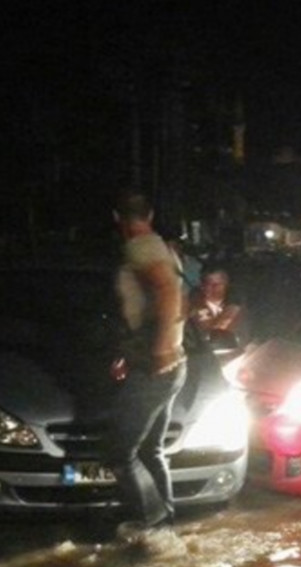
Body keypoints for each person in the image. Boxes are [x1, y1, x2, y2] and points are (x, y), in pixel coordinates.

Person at [108, 189, 187, 533]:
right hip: (173, 365)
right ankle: (164, 523)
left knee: (119, 452)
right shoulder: (164, 247)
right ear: (150, 215)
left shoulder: (139, 248)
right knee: (151, 450)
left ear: (117, 219)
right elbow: (177, 299)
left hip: (156, 369)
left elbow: (167, 292)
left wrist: (158, 351)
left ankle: (151, 526)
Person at [190, 265, 247, 349]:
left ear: (226, 284)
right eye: (206, 284)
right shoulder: (194, 303)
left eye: (216, 285)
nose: (210, 288)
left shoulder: (237, 303)